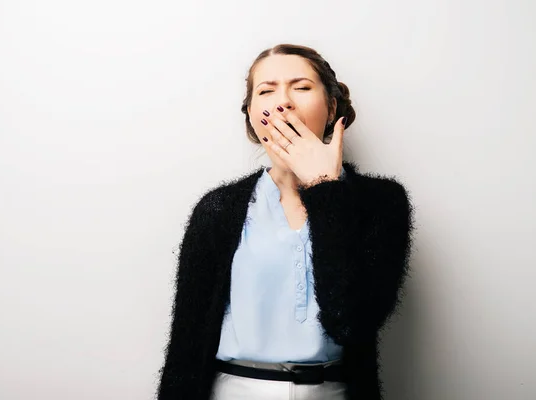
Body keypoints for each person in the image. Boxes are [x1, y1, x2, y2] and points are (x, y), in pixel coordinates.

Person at [156, 43, 414, 400]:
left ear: (332, 107)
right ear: (250, 113)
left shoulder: (381, 202)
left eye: (302, 87)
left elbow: (351, 320)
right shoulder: (217, 210)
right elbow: (187, 342)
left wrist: (324, 189)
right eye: (266, 90)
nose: (283, 102)